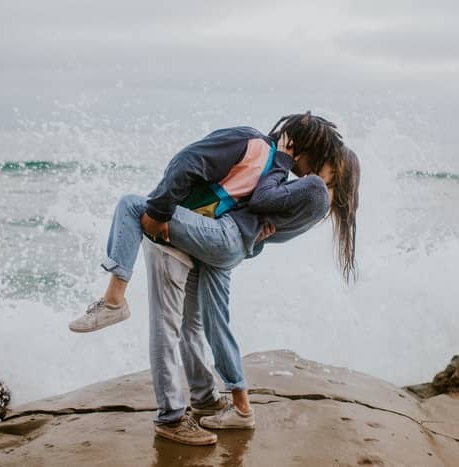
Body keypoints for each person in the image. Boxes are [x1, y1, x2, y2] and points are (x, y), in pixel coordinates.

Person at [69, 113, 360, 445]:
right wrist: (254, 232)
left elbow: (260, 199)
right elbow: (266, 222)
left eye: (327, 158)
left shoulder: (308, 184)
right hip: (227, 248)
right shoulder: (308, 196)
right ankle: (228, 404)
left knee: (134, 207)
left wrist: (162, 211)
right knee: (209, 324)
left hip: (218, 238)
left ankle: (114, 300)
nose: (311, 166)